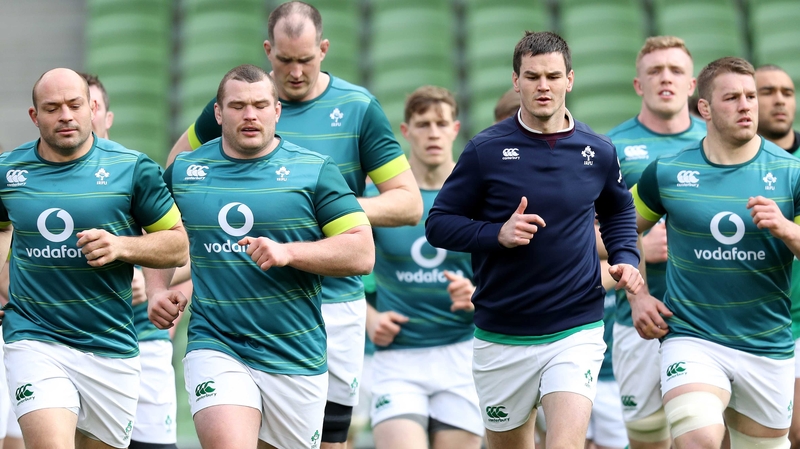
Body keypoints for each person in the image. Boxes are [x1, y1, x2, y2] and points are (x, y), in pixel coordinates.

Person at [166, 4, 422, 446]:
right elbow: (178, 170)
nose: (296, 71)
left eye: (306, 59)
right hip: (241, 301)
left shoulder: (358, 107)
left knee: (331, 437)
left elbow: (408, 203)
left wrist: (323, 213)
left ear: (324, 49)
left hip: (334, 297)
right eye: (285, 60)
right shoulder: (242, 102)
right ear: (269, 51)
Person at [424, 31, 643, 449]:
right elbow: (439, 224)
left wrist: (626, 256)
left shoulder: (598, 150)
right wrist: (496, 234)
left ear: (570, 80)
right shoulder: (485, 150)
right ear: (515, 81)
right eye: (533, 76)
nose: (543, 86)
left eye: (553, 76)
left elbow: (618, 210)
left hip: (575, 326)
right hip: (502, 333)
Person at [148, 64, 374, 449]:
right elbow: (157, 233)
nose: (249, 115)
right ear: (218, 113)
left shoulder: (315, 171)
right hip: (217, 343)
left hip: (295, 353)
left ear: (276, 111)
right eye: (237, 106)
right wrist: (156, 288)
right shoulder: (185, 171)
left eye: (259, 105)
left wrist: (289, 252)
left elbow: (361, 251)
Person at [0, 68, 188, 449]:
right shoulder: (8, 172)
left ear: (92, 108)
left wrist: (123, 247)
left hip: (110, 344)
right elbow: (3, 230)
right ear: (35, 116)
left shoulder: (133, 169)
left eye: (74, 105)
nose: (65, 115)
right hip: (35, 338)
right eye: (52, 108)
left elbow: (178, 244)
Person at [631, 56, 800, 449]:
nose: (746, 106)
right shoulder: (667, 171)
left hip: (767, 343)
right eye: (732, 98)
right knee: (700, 438)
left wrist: (785, 227)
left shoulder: (791, 173)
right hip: (693, 336)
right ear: (704, 107)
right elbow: (618, 232)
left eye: (750, 96)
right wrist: (637, 295)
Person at [365, 85, 483, 449]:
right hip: (397, 356)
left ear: (455, 128)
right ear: (406, 131)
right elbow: (344, 274)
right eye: (423, 123)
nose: (433, 132)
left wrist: (478, 296)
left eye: (441, 123)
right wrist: (369, 318)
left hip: (462, 353)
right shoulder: (378, 199)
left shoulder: (480, 196)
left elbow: (509, 278)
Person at [605, 36, 706, 449]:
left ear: (692, 84)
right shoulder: (609, 147)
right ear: (637, 85)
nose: (666, 78)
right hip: (641, 320)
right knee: (649, 440)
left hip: (709, 320)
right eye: (654, 71)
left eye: (676, 70)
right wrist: (638, 259)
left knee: (707, 434)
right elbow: (595, 231)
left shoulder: (717, 142)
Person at [79, 72, 180, 449]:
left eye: (91, 106)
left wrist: (152, 284)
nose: (79, 117)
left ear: (106, 116)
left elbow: (185, 253)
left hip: (143, 341)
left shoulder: (137, 173)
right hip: (71, 343)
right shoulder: (42, 181)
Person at [755, 64, 800, 449]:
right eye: (766, 91)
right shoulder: (722, 161)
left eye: (787, 91)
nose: (780, 99)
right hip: (746, 321)